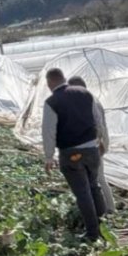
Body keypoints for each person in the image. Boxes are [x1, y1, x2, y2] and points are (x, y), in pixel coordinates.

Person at [42, 68, 107, 242]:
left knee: (82, 192)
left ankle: (93, 233)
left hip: (71, 153)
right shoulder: (85, 93)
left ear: (49, 83)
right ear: (64, 78)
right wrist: (99, 139)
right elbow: (97, 119)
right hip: (92, 149)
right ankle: (105, 223)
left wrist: (49, 157)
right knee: (94, 185)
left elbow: (48, 131)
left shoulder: (51, 102)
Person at [67, 76, 115, 214]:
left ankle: (109, 209)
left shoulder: (90, 102)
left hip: (95, 145)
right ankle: (103, 207)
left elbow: (98, 125)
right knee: (94, 177)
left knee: (98, 178)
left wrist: (99, 143)